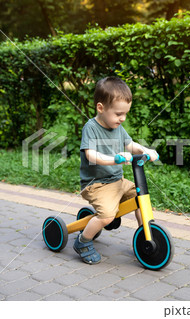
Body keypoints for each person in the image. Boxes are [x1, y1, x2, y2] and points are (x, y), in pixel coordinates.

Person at [75, 76, 158, 264]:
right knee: (107, 216)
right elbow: (91, 155)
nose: (123, 118)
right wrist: (114, 159)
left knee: (141, 199)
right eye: (118, 114)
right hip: (96, 185)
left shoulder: (118, 127)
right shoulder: (91, 128)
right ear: (101, 108)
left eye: (125, 114)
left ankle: (146, 235)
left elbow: (131, 145)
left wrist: (145, 150)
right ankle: (83, 242)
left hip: (117, 182)